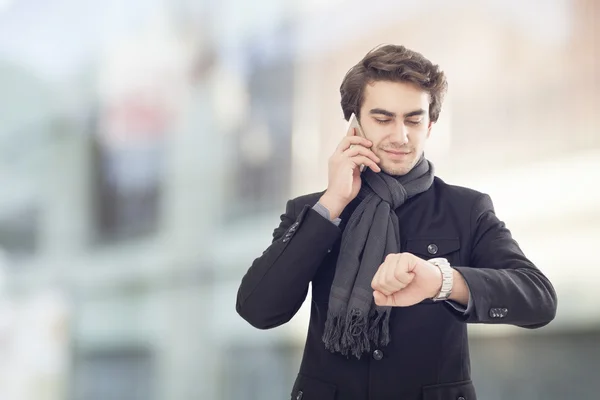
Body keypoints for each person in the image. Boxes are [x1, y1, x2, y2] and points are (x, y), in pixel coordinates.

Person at [236, 44, 557, 400]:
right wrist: (332, 203)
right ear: (354, 125)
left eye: (414, 119)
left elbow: (539, 299)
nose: (400, 136)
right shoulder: (312, 211)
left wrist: (443, 281)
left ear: (430, 125)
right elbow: (258, 310)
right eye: (384, 118)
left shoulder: (466, 208)